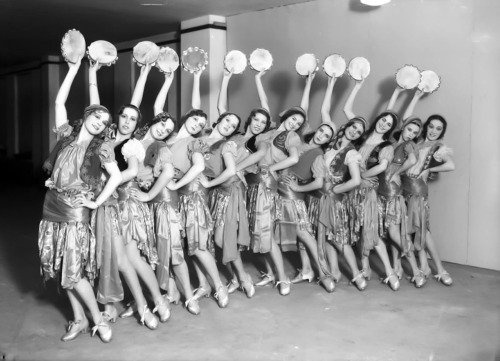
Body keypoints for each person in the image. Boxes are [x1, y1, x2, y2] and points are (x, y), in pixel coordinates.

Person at [39, 57, 113, 342]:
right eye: (97, 117)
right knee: (60, 267)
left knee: (73, 270)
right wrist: (72, 69)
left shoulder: (101, 147)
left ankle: (97, 319)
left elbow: (116, 176)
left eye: (105, 122)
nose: (100, 124)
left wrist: (95, 202)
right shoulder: (68, 135)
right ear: (87, 114)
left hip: (75, 209)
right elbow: (59, 104)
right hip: (52, 204)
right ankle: (78, 319)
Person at [90, 63, 169, 327]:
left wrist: (106, 185)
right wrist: (92, 72)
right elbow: (97, 106)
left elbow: (132, 171)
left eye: (133, 119)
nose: (127, 121)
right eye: (123, 116)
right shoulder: (105, 139)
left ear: (137, 124)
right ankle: (134, 304)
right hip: (105, 205)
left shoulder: (132, 144)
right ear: (117, 118)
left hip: (122, 205)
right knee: (117, 259)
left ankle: (151, 304)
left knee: (129, 260)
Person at [284, 75, 367, 291]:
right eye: (353, 127)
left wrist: (337, 189)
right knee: (322, 237)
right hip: (314, 199)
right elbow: (321, 112)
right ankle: (328, 271)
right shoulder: (328, 146)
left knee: (338, 238)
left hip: (331, 199)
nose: (354, 131)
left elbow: (355, 180)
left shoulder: (349, 153)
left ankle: (357, 274)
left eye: (358, 132)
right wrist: (329, 83)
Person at [165, 69, 229, 308]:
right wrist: (191, 77)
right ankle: (203, 285)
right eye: (194, 120)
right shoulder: (169, 139)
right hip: (171, 199)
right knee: (183, 247)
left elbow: (199, 166)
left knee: (198, 246)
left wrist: (176, 184)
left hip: (190, 196)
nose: (197, 125)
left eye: (202, 124)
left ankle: (219, 286)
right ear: (186, 118)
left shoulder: (196, 142)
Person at [344, 78, 400, 290]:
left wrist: (361, 174)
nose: (384, 124)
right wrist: (357, 85)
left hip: (367, 190)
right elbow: (346, 108)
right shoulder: (361, 135)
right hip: (351, 190)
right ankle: (364, 266)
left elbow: (382, 166)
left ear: (390, 128)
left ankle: (390, 271)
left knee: (371, 231)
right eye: (382, 120)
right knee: (357, 229)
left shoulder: (386, 145)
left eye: (388, 123)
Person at [402, 93, 455, 285]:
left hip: (417, 191)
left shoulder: (438, 146)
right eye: (431, 126)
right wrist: (415, 95)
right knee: (414, 231)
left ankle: (440, 269)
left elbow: (451, 165)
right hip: (403, 190)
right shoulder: (416, 142)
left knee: (423, 231)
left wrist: (428, 169)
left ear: (442, 132)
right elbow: (405, 120)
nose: (433, 131)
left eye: (438, 128)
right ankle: (424, 267)